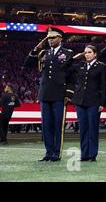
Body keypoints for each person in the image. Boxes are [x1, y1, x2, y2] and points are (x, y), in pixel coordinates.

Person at [24, 27, 74, 162]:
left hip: (59, 94)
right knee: (46, 125)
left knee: (58, 124)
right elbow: (27, 64)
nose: (50, 40)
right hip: (45, 94)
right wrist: (36, 48)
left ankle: (56, 153)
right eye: (48, 38)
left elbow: (71, 75)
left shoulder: (68, 53)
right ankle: (48, 152)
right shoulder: (43, 53)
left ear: (60, 38)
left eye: (53, 37)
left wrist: (69, 93)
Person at [64, 45, 106, 162]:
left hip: (94, 102)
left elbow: (104, 86)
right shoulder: (80, 65)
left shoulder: (101, 67)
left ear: (95, 54)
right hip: (80, 101)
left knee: (93, 129)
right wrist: (74, 58)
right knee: (83, 129)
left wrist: (102, 103)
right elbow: (65, 68)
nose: (87, 54)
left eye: (89, 52)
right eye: (85, 53)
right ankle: (84, 154)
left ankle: (92, 154)